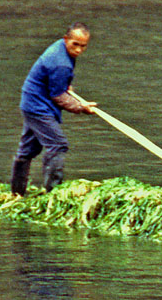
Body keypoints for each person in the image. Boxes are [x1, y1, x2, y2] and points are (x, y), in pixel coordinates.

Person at [10, 22, 97, 196]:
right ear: (66, 39)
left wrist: (65, 85)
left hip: (32, 101)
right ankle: (53, 193)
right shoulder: (60, 62)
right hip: (37, 106)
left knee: (27, 150)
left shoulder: (61, 50)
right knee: (58, 144)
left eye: (83, 46)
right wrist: (81, 107)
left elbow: (56, 83)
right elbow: (57, 96)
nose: (79, 50)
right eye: (75, 45)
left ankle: (16, 194)